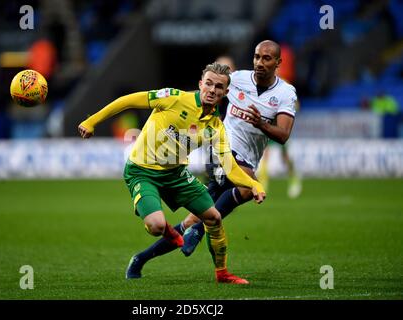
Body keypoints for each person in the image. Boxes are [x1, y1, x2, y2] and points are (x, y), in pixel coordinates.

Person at [78, 62, 266, 285]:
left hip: (176, 174)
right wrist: (91, 121)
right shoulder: (174, 98)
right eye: (208, 84)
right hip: (142, 171)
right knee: (156, 226)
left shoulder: (216, 127)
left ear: (225, 92)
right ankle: (167, 230)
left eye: (218, 86)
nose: (212, 90)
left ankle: (222, 274)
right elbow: (127, 101)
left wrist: (255, 185)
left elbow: (230, 168)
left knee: (214, 217)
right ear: (200, 84)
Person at [126, 40, 298, 278]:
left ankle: (144, 257)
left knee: (197, 218)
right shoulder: (238, 79)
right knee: (246, 187)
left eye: (266, 58)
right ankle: (197, 231)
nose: (260, 62)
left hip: (247, 159)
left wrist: (260, 123)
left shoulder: (285, 94)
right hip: (222, 150)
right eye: (257, 57)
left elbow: (283, 135)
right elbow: (216, 82)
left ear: (278, 63)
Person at [257, 42, 302, 198]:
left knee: (285, 157)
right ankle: (263, 184)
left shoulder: (285, 86)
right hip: (269, 126)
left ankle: (294, 179)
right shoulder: (265, 84)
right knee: (265, 154)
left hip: (280, 128)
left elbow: (296, 104)